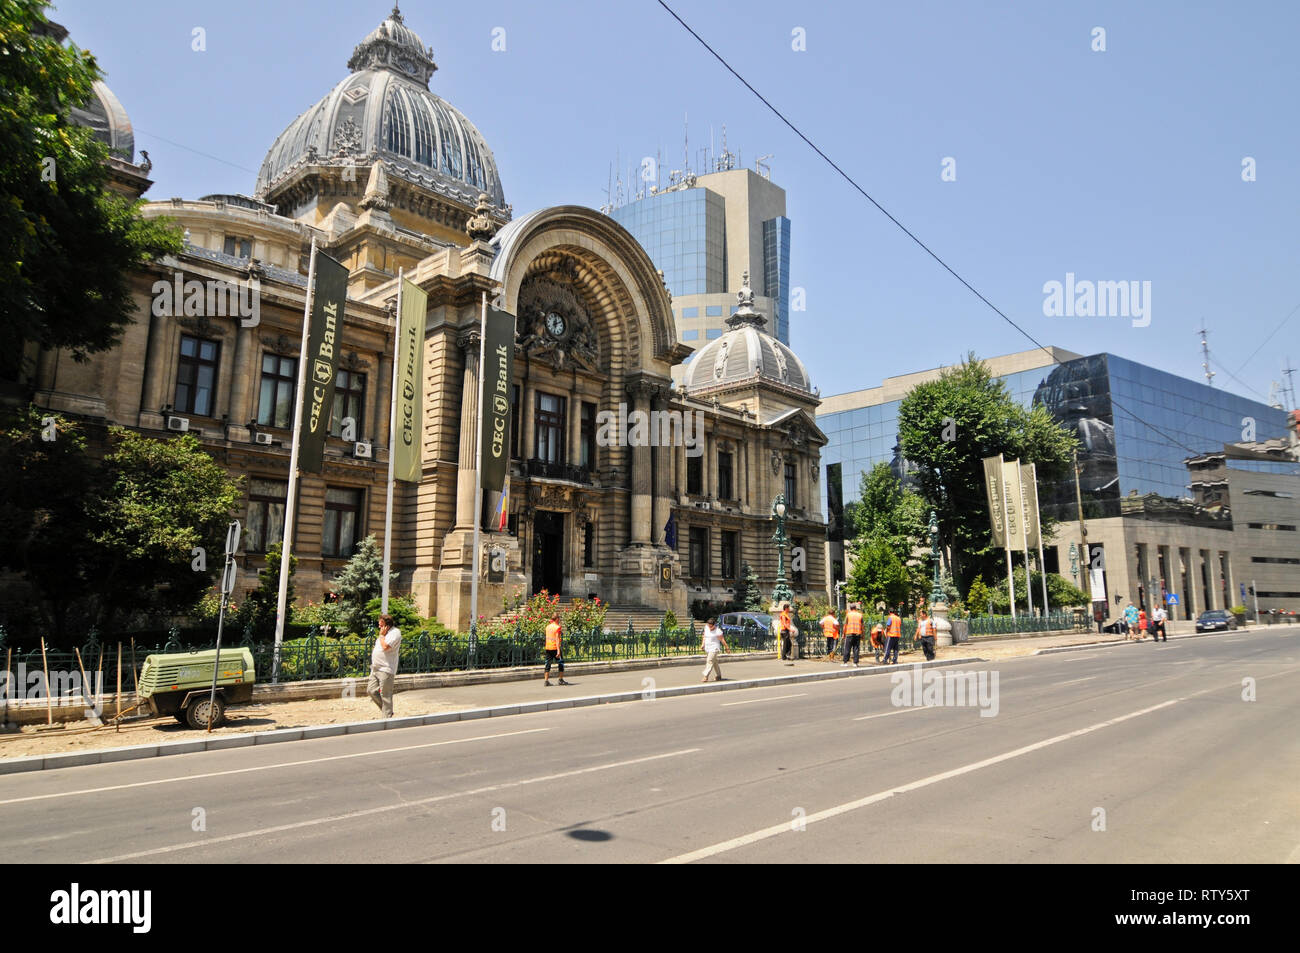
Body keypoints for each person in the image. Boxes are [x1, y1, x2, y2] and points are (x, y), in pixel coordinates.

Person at [368, 613, 402, 718]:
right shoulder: (382, 634)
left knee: (385, 694)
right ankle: (387, 710)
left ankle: (387, 718)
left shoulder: (395, 633)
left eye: (380, 624)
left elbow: (386, 647)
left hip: (386, 668)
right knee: (371, 690)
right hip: (376, 668)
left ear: (387, 625)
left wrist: (382, 636)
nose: (379, 626)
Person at [544, 612, 569, 686]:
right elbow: (557, 639)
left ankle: (546, 681)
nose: (559, 619)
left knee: (547, 664)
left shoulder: (548, 627)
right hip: (555, 647)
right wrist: (558, 650)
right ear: (557, 619)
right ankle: (560, 680)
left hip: (548, 647)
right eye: (559, 618)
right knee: (561, 663)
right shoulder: (557, 627)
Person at [701, 616, 728, 682]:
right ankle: (718, 676)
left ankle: (705, 676)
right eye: (709, 626)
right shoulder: (706, 628)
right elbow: (704, 636)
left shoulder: (718, 631)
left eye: (711, 626)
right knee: (714, 662)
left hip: (714, 648)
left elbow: (722, 639)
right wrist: (703, 644)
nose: (710, 627)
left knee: (709, 661)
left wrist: (727, 647)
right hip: (708, 648)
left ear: (714, 625)